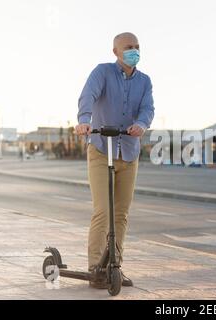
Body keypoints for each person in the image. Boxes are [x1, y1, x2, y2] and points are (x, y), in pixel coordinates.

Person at [76, 32, 154, 289]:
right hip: (100, 149)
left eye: (137, 47)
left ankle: (114, 268)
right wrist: (85, 120)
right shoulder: (102, 72)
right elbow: (88, 95)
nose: (134, 51)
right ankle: (95, 268)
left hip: (129, 151)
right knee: (103, 210)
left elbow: (147, 108)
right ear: (116, 52)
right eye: (129, 47)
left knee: (120, 214)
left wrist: (141, 124)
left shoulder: (144, 81)